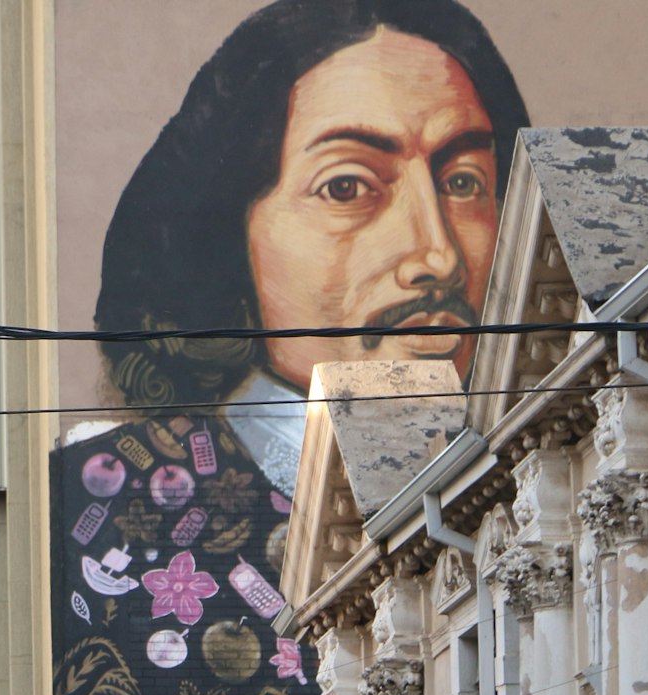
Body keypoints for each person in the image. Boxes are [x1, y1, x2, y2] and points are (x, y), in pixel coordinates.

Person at [95, 0, 530, 496]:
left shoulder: (539, 466)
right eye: (346, 187)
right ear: (228, 235)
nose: (440, 257)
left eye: (463, 182)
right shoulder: (115, 495)